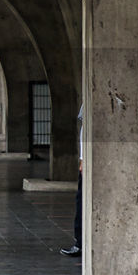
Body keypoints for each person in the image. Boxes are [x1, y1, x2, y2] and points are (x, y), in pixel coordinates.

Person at [61, 103, 84, 257]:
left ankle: (80, 243)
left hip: (89, 162)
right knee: (80, 200)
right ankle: (80, 241)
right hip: (87, 160)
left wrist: (83, 159)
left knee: (81, 201)